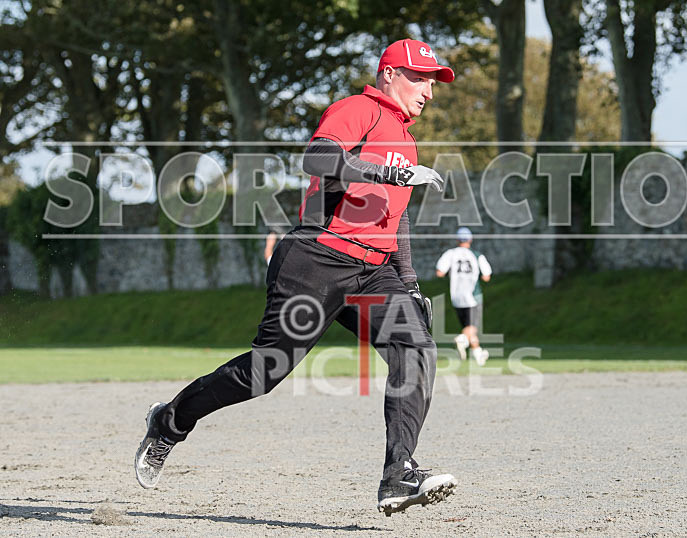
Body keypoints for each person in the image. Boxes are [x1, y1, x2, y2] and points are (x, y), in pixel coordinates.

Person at [135, 38, 458, 517]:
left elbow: (397, 216)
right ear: (389, 73)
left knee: (416, 349)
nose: (427, 91)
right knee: (264, 373)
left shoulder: (406, 139)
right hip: (316, 260)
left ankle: (398, 475)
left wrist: (408, 282)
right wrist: (389, 175)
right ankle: (170, 421)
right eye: (419, 77)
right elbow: (319, 159)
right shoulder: (358, 110)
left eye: (432, 82)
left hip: (373, 271)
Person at [435, 227, 492, 366]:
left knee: (468, 327)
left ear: (457, 240)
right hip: (473, 296)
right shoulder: (477, 255)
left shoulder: (450, 254)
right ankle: (462, 339)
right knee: (472, 327)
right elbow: (486, 276)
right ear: (470, 240)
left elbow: (439, 272)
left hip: (456, 296)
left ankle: (478, 355)